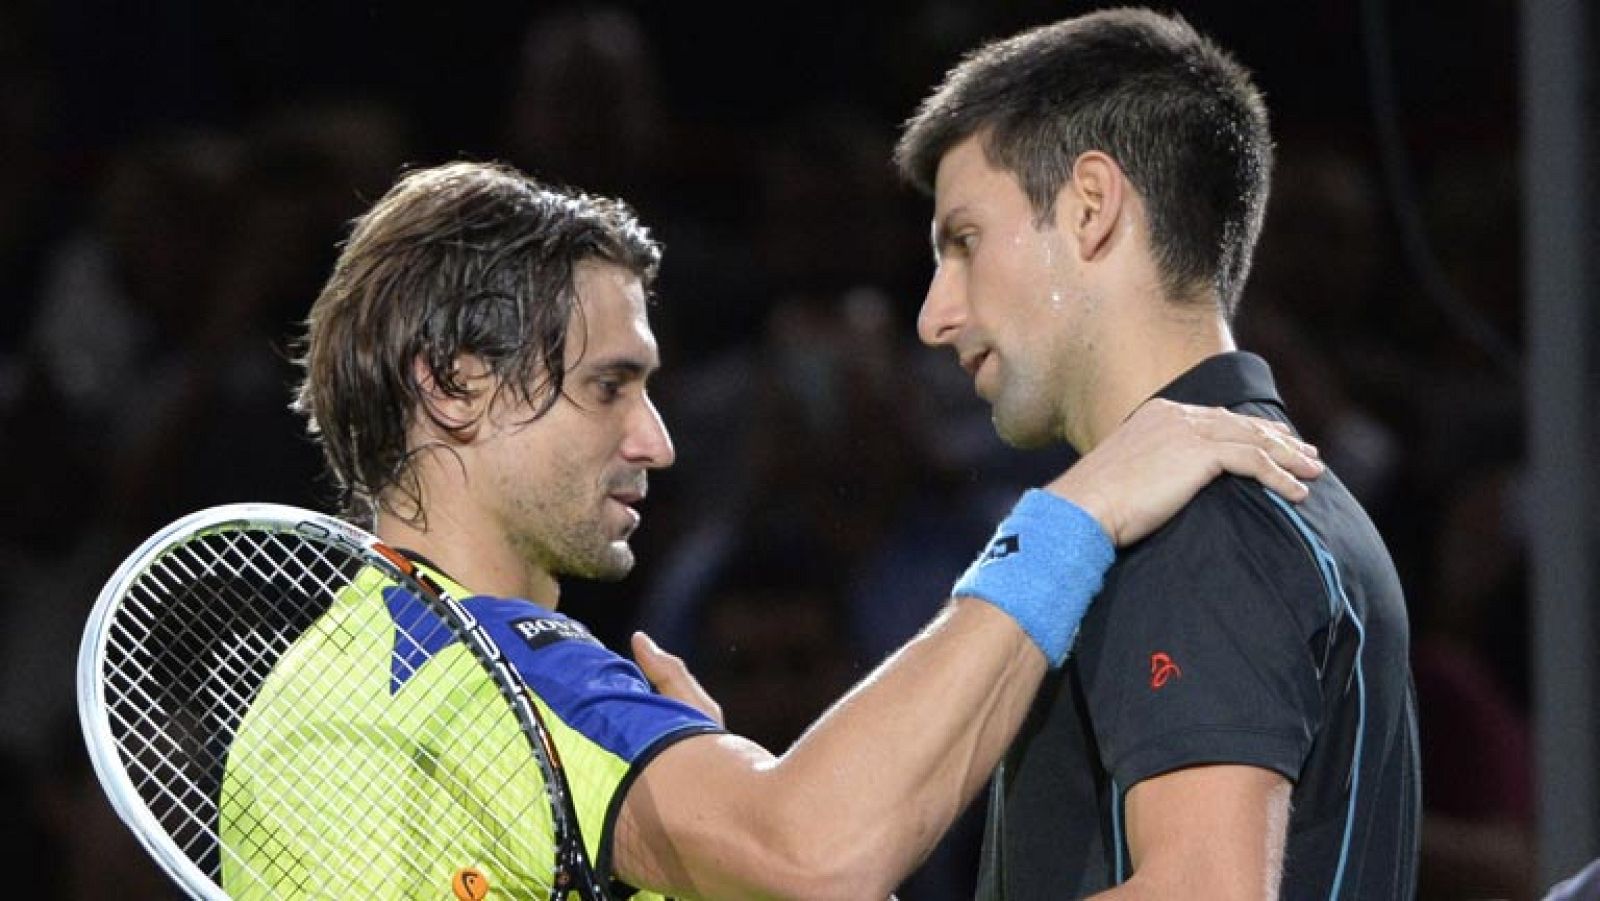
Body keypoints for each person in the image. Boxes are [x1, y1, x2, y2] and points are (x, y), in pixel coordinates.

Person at [275, 159, 1321, 899]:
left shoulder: (312, 689)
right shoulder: (518, 680)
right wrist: (1075, 514)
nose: (656, 440)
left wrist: (707, 829)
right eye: (608, 387)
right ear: (455, 387)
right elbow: (818, 853)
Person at [893, 8, 1419, 898]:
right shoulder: (1269, 500)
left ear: (1091, 207)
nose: (934, 314)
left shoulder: (1202, 520)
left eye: (965, 243)